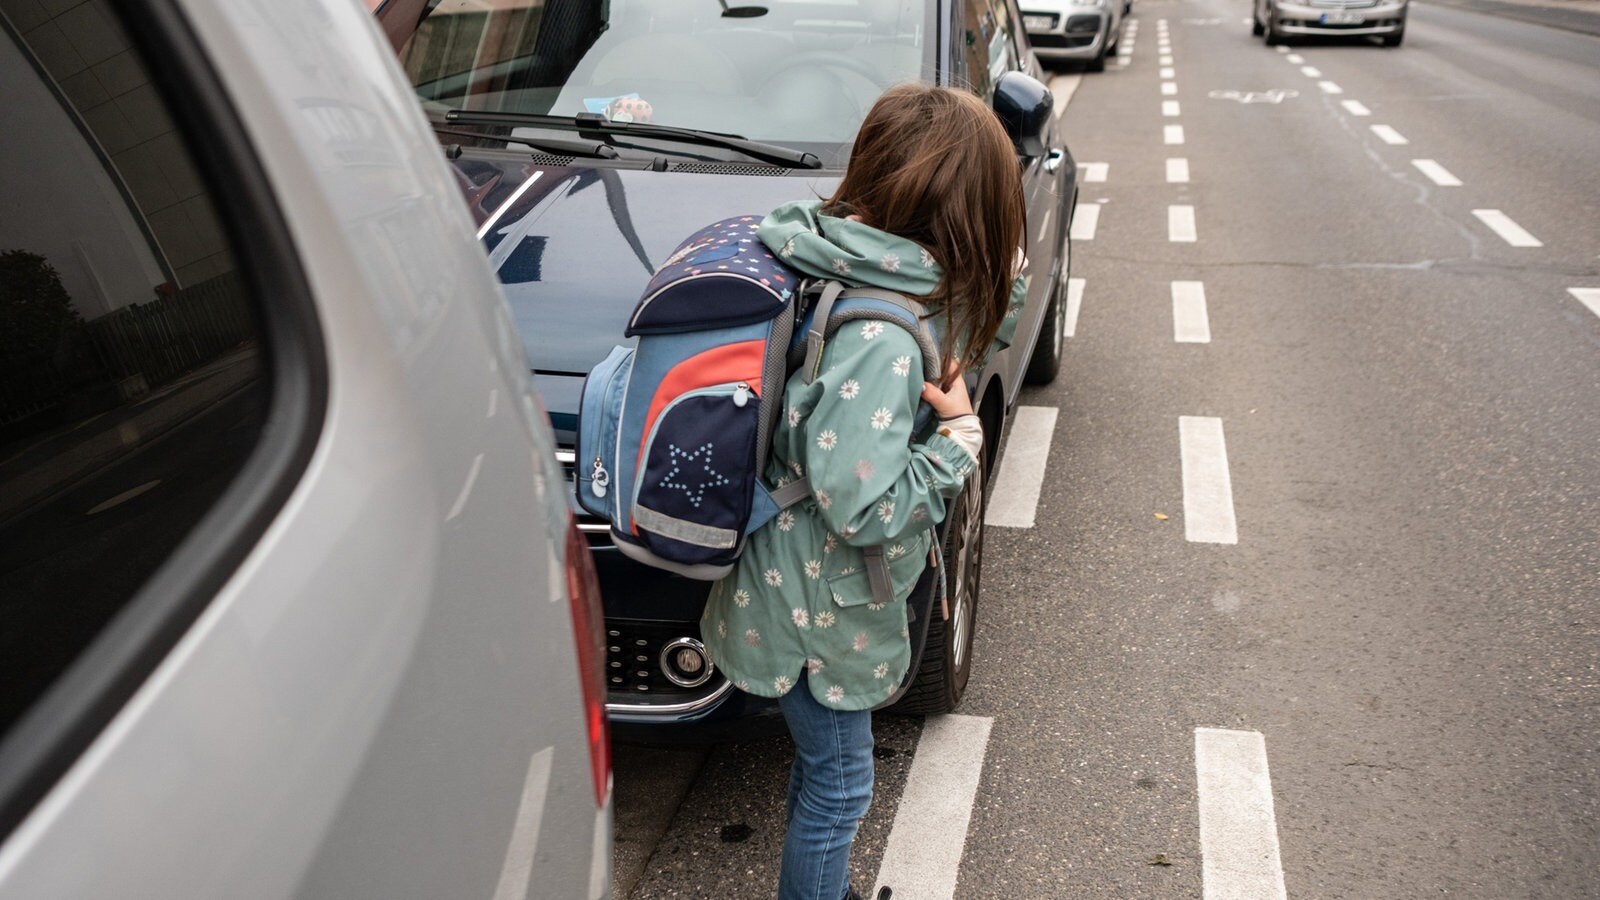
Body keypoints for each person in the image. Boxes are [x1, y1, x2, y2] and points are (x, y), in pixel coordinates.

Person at [698, 82, 1028, 900]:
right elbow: (864, 506)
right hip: (818, 608)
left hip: (800, 586)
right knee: (842, 785)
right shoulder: (882, 338)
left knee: (822, 773)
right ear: (962, 216)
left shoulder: (846, 256)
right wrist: (957, 444)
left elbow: (959, 335)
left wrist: (1002, 287)